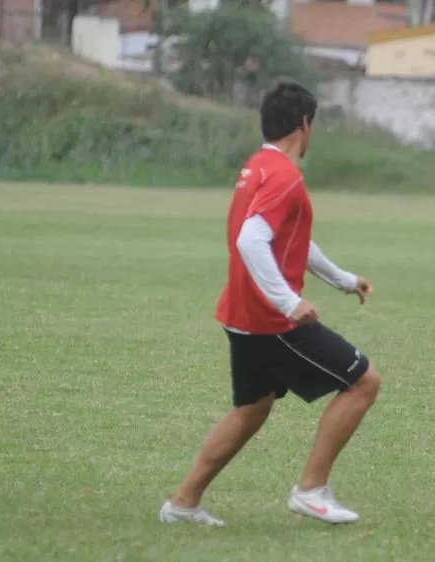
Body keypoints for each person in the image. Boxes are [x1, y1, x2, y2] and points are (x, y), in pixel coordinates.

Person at [159, 81, 382, 525]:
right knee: (364, 382)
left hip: (241, 314)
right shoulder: (284, 176)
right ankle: (311, 489)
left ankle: (182, 504)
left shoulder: (257, 167)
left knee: (252, 408)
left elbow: (289, 238)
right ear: (304, 125)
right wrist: (287, 301)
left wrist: (342, 279)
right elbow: (251, 239)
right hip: (270, 321)